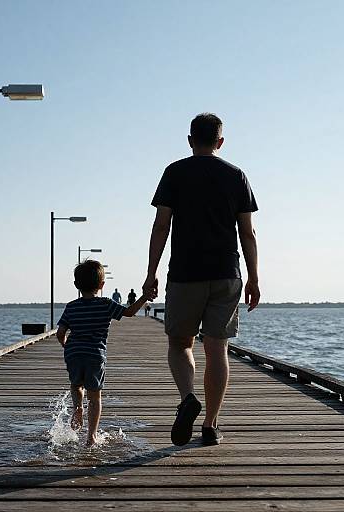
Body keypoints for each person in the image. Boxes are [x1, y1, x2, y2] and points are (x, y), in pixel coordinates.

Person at [142, 113, 260, 447]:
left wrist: (151, 273)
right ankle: (210, 425)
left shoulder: (174, 172)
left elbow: (160, 226)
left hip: (185, 273)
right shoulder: (236, 175)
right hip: (226, 272)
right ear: (220, 142)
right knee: (217, 348)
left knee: (180, 344)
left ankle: (187, 398)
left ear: (190, 139)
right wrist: (253, 277)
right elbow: (247, 233)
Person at [56, 260, 152, 447]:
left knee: (76, 385)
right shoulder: (106, 304)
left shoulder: (71, 306)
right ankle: (91, 436)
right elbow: (130, 312)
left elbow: (60, 333)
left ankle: (77, 409)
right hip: (95, 355)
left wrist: (66, 346)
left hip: (73, 353)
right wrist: (144, 297)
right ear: (101, 285)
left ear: (76, 285)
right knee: (95, 396)